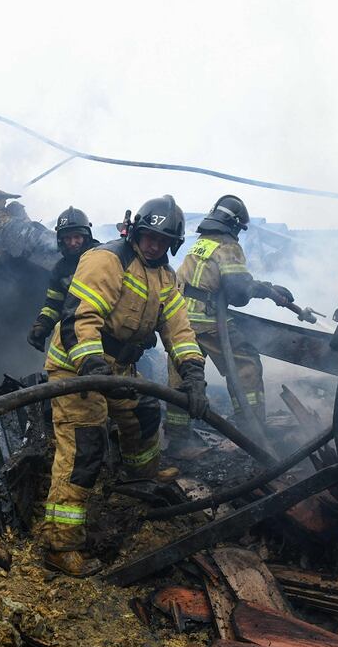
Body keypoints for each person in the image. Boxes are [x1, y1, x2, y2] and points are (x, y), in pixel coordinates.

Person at [40, 194, 208, 577]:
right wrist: (95, 369)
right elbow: (78, 318)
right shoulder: (108, 260)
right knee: (86, 445)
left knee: (146, 413)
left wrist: (194, 375)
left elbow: (179, 331)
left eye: (162, 240)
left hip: (118, 366)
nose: (153, 245)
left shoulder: (165, 276)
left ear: (172, 244)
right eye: (148, 236)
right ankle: (59, 544)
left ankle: (137, 480)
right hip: (76, 366)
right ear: (135, 232)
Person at [164, 195, 294, 445]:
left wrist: (266, 287)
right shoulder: (227, 246)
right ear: (233, 225)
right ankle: (251, 428)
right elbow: (237, 291)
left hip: (179, 319)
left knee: (181, 374)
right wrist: (267, 291)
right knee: (245, 362)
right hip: (206, 319)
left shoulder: (201, 243)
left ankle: (177, 437)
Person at [27, 207, 101, 351]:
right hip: (79, 332)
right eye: (68, 238)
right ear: (61, 240)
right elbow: (53, 304)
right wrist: (42, 325)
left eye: (77, 237)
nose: (73, 242)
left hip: (106, 327)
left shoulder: (103, 256)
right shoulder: (60, 270)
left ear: (86, 236)